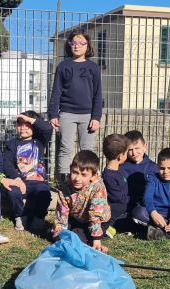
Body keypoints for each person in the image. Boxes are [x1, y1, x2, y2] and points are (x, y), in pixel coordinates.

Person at [48, 29, 103, 179]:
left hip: (88, 116)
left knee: (87, 149)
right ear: (69, 45)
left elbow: (98, 94)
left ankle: (89, 179)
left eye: (81, 43)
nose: (77, 46)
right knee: (66, 148)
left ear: (88, 46)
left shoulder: (94, 68)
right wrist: (53, 114)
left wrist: (96, 117)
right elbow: (56, 92)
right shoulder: (63, 66)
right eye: (73, 43)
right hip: (66, 114)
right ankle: (65, 180)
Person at [2, 111, 53, 232]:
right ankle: (19, 216)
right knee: (13, 192)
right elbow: (7, 163)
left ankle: (38, 218)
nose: (23, 127)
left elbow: (48, 128)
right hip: (20, 181)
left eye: (27, 124)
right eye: (20, 124)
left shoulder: (39, 141)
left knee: (44, 193)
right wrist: (16, 178)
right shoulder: (12, 144)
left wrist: (30, 119)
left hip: (38, 181)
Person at [53, 150, 111, 252]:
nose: (77, 178)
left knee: (79, 239)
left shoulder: (98, 188)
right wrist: (60, 230)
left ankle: (100, 236)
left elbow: (95, 214)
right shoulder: (64, 187)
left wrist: (96, 239)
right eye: (75, 172)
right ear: (70, 169)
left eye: (83, 175)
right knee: (60, 237)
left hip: (97, 220)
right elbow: (62, 211)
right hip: (76, 217)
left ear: (93, 176)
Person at [119, 130, 159, 217]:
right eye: (130, 150)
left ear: (145, 147)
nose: (134, 153)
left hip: (144, 206)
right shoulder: (121, 167)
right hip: (125, 204)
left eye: (137, 148)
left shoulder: (153, 168)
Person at [101, 133, 131, 238]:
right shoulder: (108, 176)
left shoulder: (120, 169)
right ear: (120, 156)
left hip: (123, 203)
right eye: (127, 152)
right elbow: (116, 198)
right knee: (119, 208)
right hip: (114, 208)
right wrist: (128, 200)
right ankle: (105, 228)